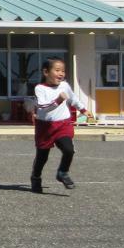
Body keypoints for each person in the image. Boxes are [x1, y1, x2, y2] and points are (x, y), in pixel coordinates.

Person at [28, 56, 90, 193]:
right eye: (57, 70)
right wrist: (58, 100)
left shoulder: (65, 85)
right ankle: (36, 177)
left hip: (63, 124)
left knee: (69, 149)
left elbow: (73, 99)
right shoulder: (40, 88)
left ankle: (62, 172)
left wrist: (83, 109)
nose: (61, 73)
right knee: (42, 157)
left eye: (63, 71)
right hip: (45, 127)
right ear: (46, 72)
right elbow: (43, 107)